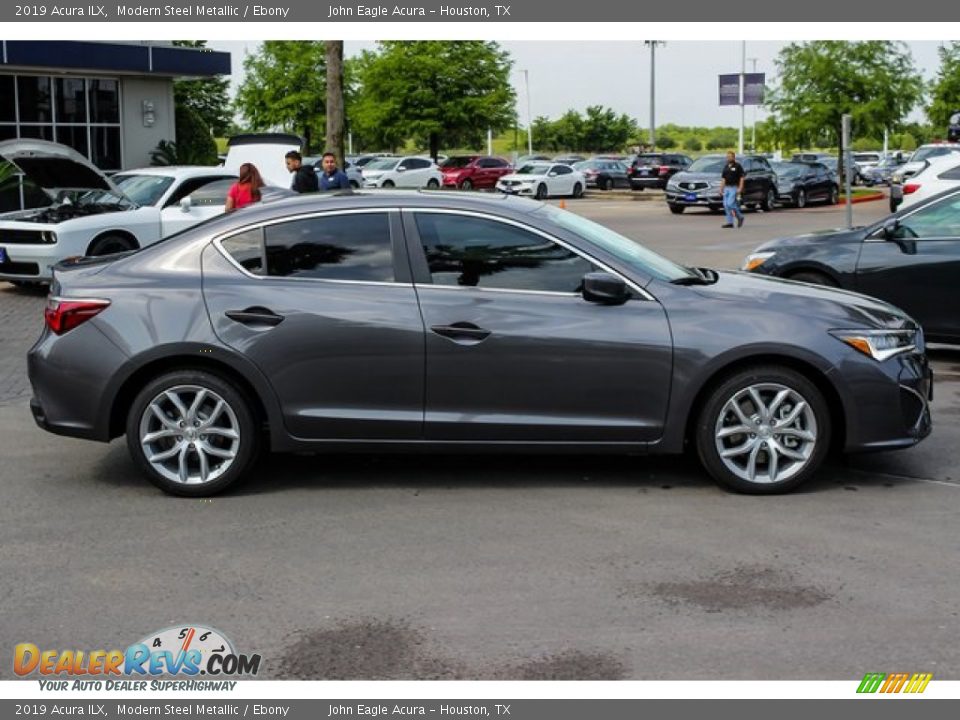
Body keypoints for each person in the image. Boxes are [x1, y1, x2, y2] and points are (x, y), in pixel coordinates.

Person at [720, 150, 745, 228]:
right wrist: (721, 189)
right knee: (726, 205)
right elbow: (724, 179)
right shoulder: (726, 167)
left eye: (730, 156)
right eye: (727, 157)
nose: (728, 158)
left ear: (734, 157)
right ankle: (730, 222)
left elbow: (742, 178)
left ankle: (740, 216)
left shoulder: (738, 166)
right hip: (726, 188)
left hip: (734, 187)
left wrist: (740, 188)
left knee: (730, 204)